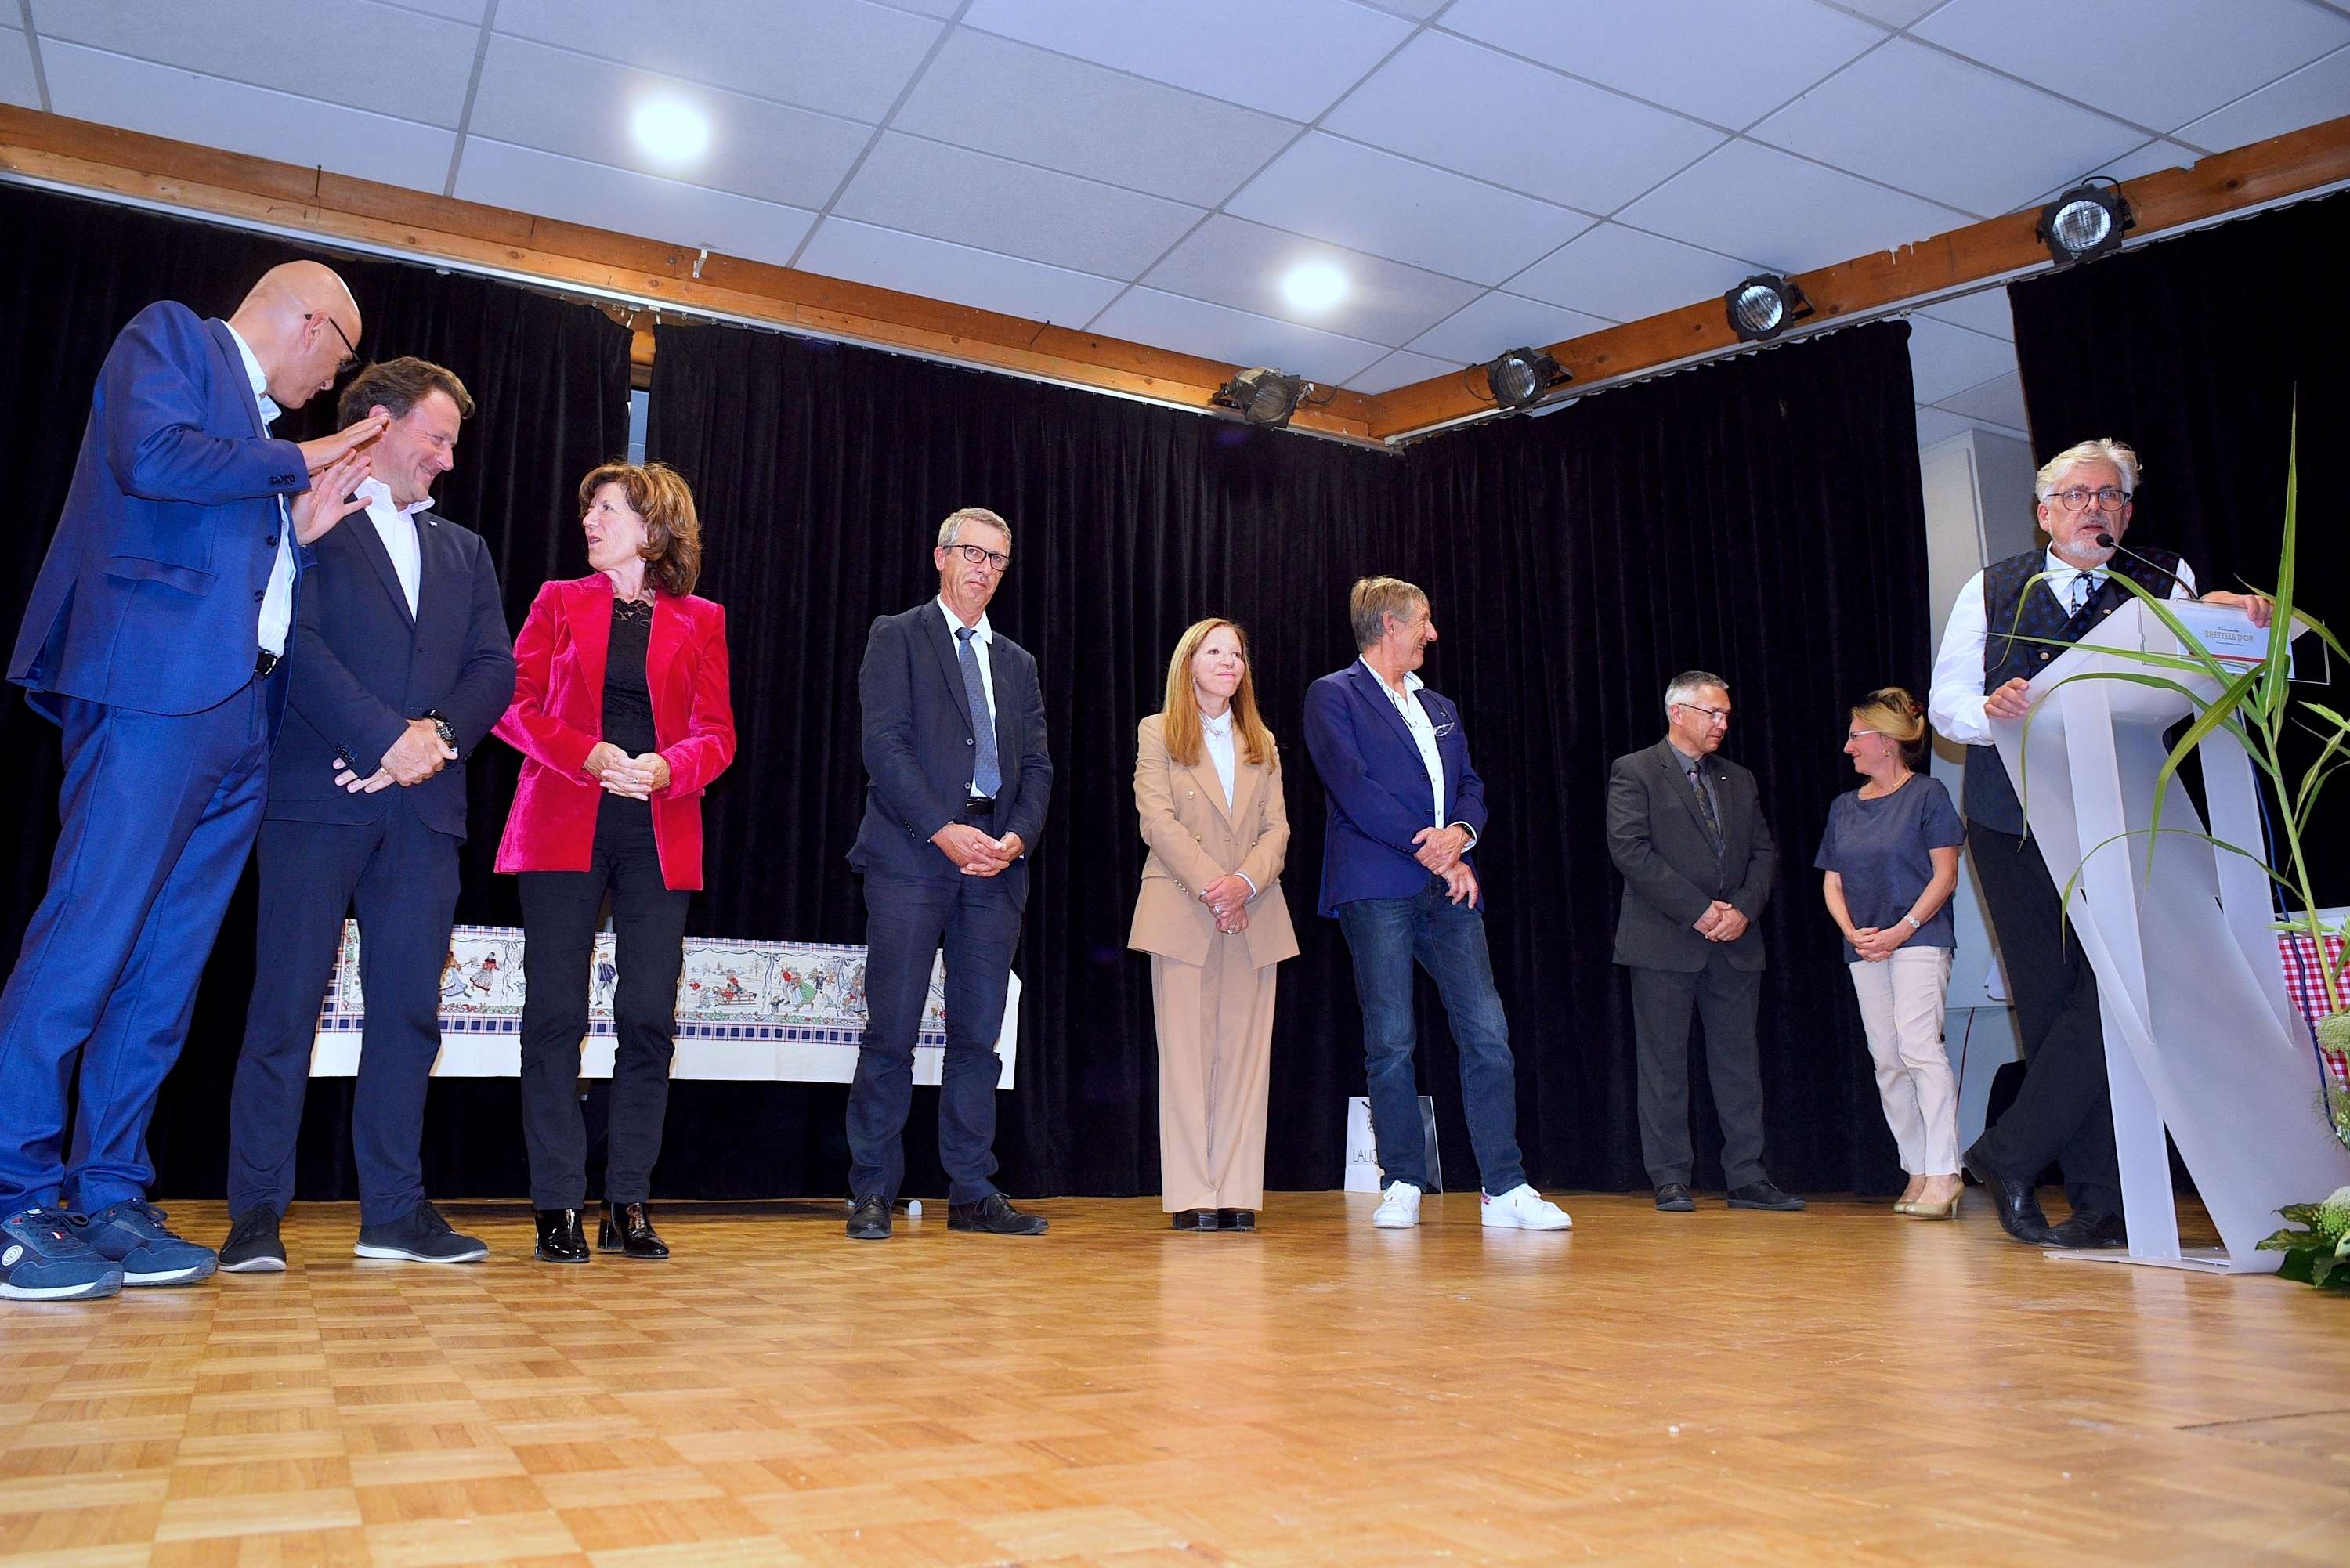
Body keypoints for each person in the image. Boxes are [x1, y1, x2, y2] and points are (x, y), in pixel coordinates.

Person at [0, 262, 384, 1302]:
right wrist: (300, 459)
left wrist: (299, 533)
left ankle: (108, 1190)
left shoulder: (256, 438)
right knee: (86, 940)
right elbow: (151, 455)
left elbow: (229, 546)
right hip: (154, 694)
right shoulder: (173, 338)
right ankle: (11, 1195)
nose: (328, 385)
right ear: (309, 323)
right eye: (336, 360)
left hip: (239, 712)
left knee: (163, 972)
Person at [1928, 437, 2270, 1249]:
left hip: (2125, 814)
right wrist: (1992, 710)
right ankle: (2098, 1203)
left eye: (2111, 495)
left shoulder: (2163, 577)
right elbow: (1946, 705)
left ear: (2128, 511)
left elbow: (2187, 671)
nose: (2096, 508)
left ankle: (2010, 1153)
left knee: (2120, 993)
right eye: (2078, 496)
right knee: (2050, 1007)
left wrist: (2226, 615)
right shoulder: (1992, 586)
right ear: (2045, 512)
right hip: (2012, 820)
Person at [218, 357, 515, 1273]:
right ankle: (256, 1214)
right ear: (379, 424)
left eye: (454, 445)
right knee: (284, 1008)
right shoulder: (307, 516)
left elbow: (494, 669)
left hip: (424, 814)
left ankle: (392, 1211)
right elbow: (290, 639)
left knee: (408, 1016)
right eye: (437, 438)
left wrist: (432, 738)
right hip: (316, 800)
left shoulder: (465, 550)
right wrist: (384, 738)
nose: (448, 459)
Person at [494, 462, 736, 1263]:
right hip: (564, 819)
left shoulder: (702, 619)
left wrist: (671, 766)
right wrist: (587, 752)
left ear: (653, 525)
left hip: (657, 829)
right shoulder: (557, 601)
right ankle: (557, 1202)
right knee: (554, 1016)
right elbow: (512, 705)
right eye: (589, 508)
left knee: (646, 1018)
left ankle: (627, 1197)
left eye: (605, 509)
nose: (589, 521)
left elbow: (718, 734)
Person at [1303, 576, 1571, 1232]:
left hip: (1448, 886)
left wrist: (1462, 836)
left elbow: (1470, 785)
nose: (1433, 633)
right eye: (1423, 620)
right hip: (1377, 884)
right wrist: (1435, 848)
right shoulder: (1333, 694)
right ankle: (1401, 1181)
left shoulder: (1439, 704)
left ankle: (1505, 1187)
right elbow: (1353, 788)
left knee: (1487, 1032)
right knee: (1391, 1039)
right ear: (1389, 625)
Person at [844, 507, 1051, 1241]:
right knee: (893, 1030)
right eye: (971, 552)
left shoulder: (1018, 663)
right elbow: (884, 745)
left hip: (995, 864)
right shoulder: (898, 636)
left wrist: (1017, 837)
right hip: (913, 854)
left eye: (996, 559)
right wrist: (943, 829)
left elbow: (1036, 765)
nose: (983, 568)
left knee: (977, 1038)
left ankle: (971, 1188)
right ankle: (873, 1189)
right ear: (940, 556)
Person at [1607, 671, 1803, 1214]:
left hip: (1735, 943)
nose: (1722, 723)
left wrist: (1742, 910)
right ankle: (1670, 1177)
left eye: (1726, 715)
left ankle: (1747, 1176)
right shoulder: (1636, 771)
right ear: (1678, 713)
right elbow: (1630, 851)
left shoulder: (1737, 778)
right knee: (1664, 1067)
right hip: (1663, 942)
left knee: (1739, 1065)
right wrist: (1699, 911)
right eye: (1712, 713)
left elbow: (1764, 852)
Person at [1129, 618, 1298, 1232]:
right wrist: (1216, 886)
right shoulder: (1157, 732)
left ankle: (1236, 1190)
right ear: (1189, 664)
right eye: (1215, 652)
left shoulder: (1263, 741)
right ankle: (1192, 1193)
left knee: (1245, 1060)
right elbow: (1157, 820)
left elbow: (1277, 829)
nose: (1229, 662)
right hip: (1182, 908)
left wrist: (1245, 883)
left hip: (1255, 913)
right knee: (1186, 1057)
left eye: (1237, 654)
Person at [1815, 688, 1965, 1219]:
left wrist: (1902, 930)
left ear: (1886, 741)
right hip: (1866, 948)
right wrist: (1853, 933)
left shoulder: (1928, 795)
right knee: (1887, 1060)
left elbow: (1945, 876)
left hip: (1919, 940)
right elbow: (1832, 882)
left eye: (1856, 736)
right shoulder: (1844, 807)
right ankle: (1917, 1168)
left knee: (1920, 1049)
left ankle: (1946, 1171)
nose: (1848, 747)